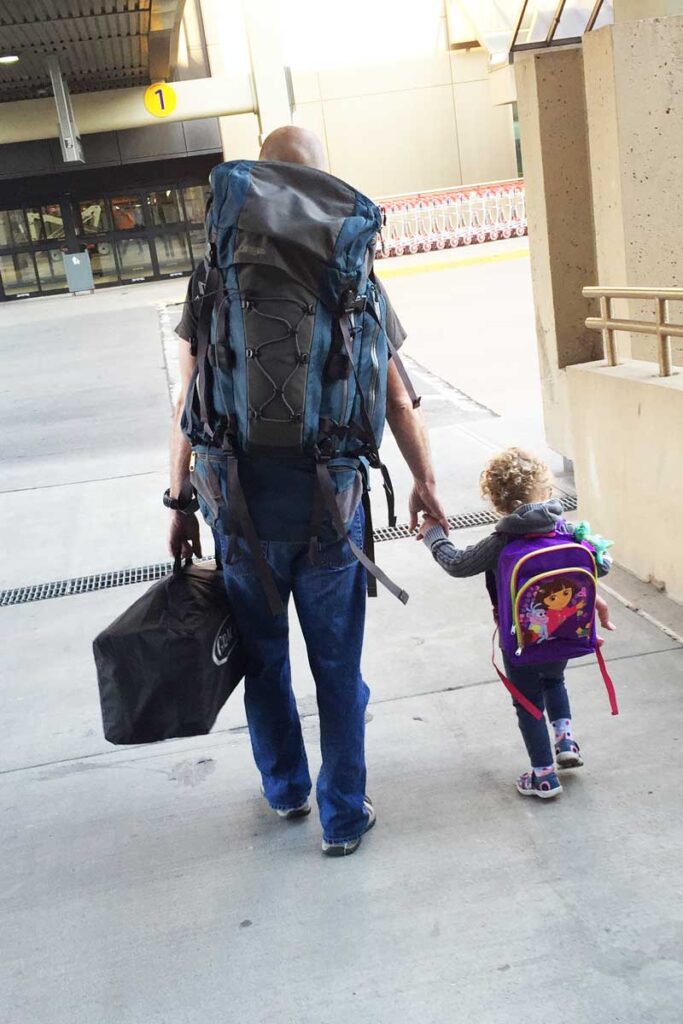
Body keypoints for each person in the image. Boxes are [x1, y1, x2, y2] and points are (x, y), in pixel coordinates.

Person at [168, 126, 447, 856]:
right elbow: (394, 396)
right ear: (322, 179)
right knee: (337, 671)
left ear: (260, 175)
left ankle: (286, 789)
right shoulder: (351, 268)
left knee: (264, 662)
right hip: (332, 508)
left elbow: (189, 398)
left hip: (237, 511)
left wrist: (177, 503)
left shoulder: (216, 269)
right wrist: (424, 481)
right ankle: (343, 816)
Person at [418, 447, 615, 800]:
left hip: (521, 642)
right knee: (555, 679)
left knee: (527, 703)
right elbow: (600, 565)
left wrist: (433, 533)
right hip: (565, 635)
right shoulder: (565, 529)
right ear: (547, 491)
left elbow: (456, 563)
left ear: (496, 501)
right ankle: (566, 741)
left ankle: (543, 777)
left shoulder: (500, 542)